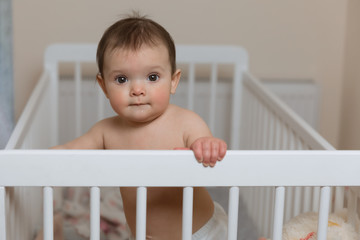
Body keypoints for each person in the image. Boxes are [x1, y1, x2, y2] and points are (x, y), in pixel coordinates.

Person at [52, 13, 228, 240]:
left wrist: (207, 146)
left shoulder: (186, 122)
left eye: (152, 77)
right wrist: (35, 160)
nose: (137, 90)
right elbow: (68, 152)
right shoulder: (105, 131)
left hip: (201, 233)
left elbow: (204, 144)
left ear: (173, 81)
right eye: (122, 79)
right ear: (103, 86)